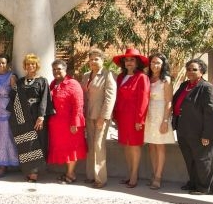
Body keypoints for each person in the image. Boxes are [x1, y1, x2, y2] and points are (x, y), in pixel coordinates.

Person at [172, 59, 213, 195]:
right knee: (190, 158)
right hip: (183, 128)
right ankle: (193, 183)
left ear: (202, 71)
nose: (190, 72)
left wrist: (207, 134)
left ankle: (204, 188)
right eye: (188, 69)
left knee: (203, 159)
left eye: (194, 69)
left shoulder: (208, 88)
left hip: (199, 131)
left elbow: (211, 113)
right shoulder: (185, 85)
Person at [7, 53, 53, 182]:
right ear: (25, 66)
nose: (30, 66)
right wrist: (13, 86)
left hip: (37, 115)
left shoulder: (42, 81)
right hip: (22, 117)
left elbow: (45, 99)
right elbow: (13, 97)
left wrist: (41, 116)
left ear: (37, 65)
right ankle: (29, 170)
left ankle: (35, 172)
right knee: (26, 144)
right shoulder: (20, 81)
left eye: (33, 64)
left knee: (37, 143)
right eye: (28, 64)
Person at [112, 48, 150, 188]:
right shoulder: (120, 77)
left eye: (132, 60)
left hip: (135, 117)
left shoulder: (142, 77)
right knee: (126, 146)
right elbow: (116, 97)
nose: (129, 62)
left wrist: (140, 120)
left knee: (134, 146)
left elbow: (144, 100)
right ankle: (129, 173)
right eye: (126, 60)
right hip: (122, 116)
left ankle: (134, 175)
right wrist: (115, 114)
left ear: (137, 62)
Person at [81, 48, 116, 189]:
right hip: (88, 115)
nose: (93, 62)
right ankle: (91, 175)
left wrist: (104, 116)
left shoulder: (108, 75)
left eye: (96, 59)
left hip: (101, 116)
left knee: (99, 146)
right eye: (91, 59)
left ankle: (100, 178)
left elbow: (110, 98)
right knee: (90, 145)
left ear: (102, 60)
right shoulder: (85, 76)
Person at [48, 59, 86, 184]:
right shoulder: (53, 84)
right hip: (57, 124)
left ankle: (71, 174)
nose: (56, 71)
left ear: (65, 69)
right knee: (64, 148)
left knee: (71, 148)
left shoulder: (73, 84)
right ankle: (68, 172)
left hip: (70, 123)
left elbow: (78, 104)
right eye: (54, 69)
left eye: (59, 69)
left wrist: (75, 123)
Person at [144, 53, 176, 190]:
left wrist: (165, 120)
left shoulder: (166, 80)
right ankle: (154, 173)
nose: (154, 65)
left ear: (163, 65)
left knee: (160, 146)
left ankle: (158, 176)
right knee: (151, 145)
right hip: (148, 114)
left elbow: (169, 101)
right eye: (152, 62)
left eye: (158, 63)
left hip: (160, 114)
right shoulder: (147, 78)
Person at [0, 53, 19, 178]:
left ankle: (9, 163)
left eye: (3, 63)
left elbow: (16, 94)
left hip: (8, 110)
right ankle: (1, 164)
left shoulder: (11, 76)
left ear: (7, 64)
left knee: (8, 137)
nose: (1, 65)